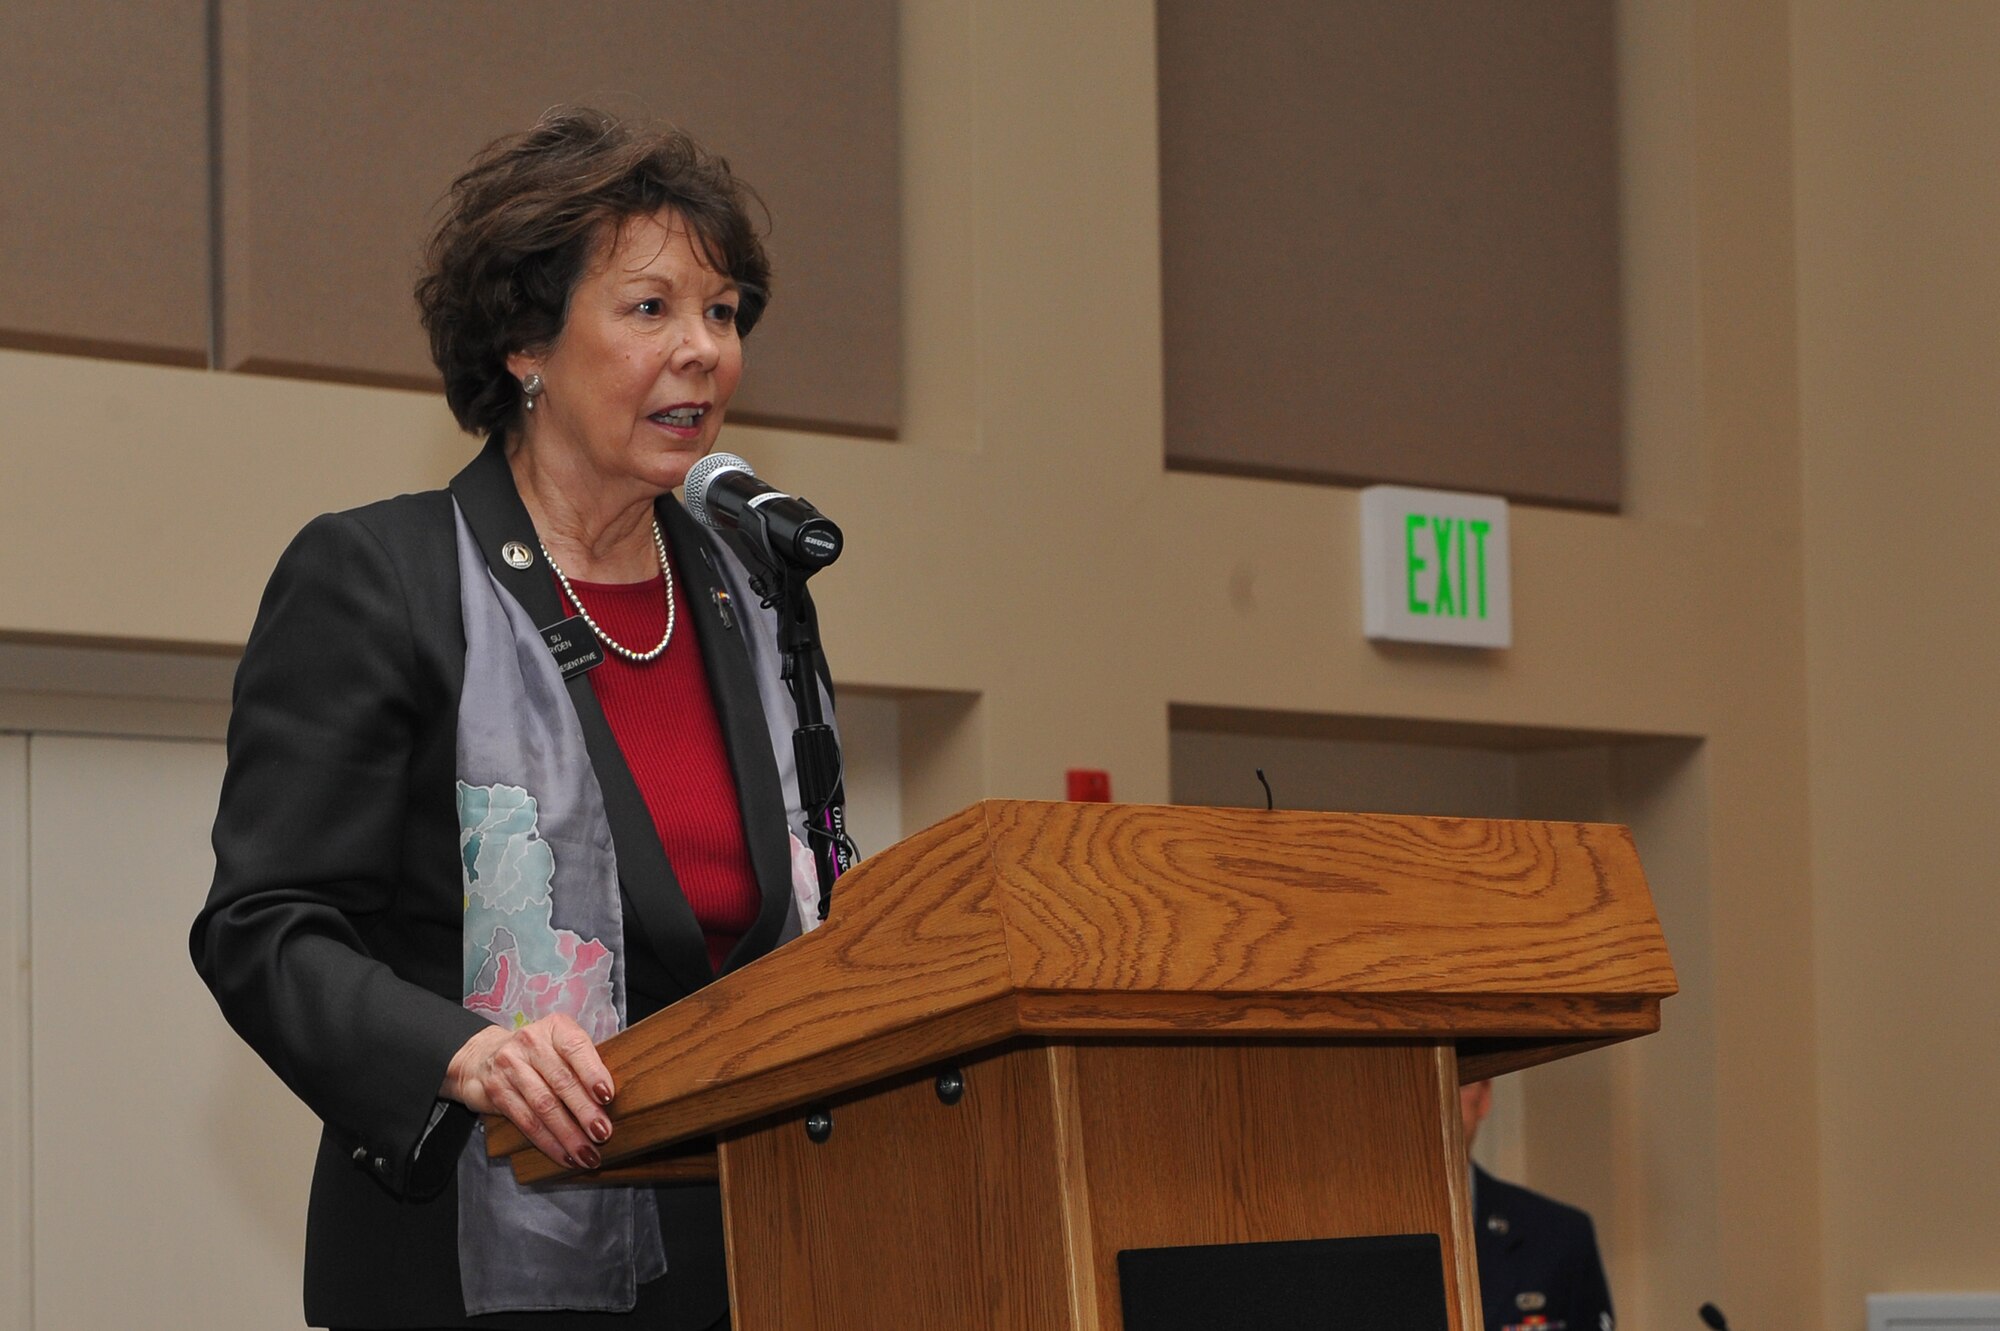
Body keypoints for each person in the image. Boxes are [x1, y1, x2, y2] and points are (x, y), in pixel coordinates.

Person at [191, 107, 831, 1330]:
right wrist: (458, 1050)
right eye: (650, 309)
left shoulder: (749, 595)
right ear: (526, 343)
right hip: (464, 1260)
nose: (701, 348)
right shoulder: (383, 578)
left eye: (723, 310)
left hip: (743, 1257)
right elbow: (264, 924)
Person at [1461, 1079, 1617, 1331]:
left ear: (1484, 1095)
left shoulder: (1559, 1235)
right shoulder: (1373, 1232)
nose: (1439, 1098)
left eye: (1460, 1081)